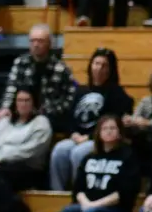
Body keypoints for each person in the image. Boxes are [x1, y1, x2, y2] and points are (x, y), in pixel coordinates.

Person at [52, 116, 140, 212]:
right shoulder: (89, 157)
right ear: (98, 133)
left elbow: (125, 193)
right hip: (89, 207)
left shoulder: (128, 156)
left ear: (119, 132)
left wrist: (94, 205)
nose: (109, 131)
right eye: (105, 128)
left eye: (112, 128)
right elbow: (78, 189)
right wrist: (86, 203)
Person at [49, 48, 133, 191]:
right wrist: (73, 134)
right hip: (77, 137)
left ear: (110, 70)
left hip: (98, 140)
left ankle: (79, 192)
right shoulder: (80, 91)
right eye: (96, 63)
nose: (99, 68)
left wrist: (88, 137)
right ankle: (57, 192)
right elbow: (70, 118)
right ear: (90, 66)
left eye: (104, 65)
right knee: (60, 150)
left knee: (79, 153)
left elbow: (113, 123)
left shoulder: (117, 94)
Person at [0, 88, 53, 191]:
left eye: (27, 100)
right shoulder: (5, 121)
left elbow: (29, 151)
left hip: (28, 169)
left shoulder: (41, 123)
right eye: (20, 100)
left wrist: (1, 158)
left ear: (34, 103)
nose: (23, 104)